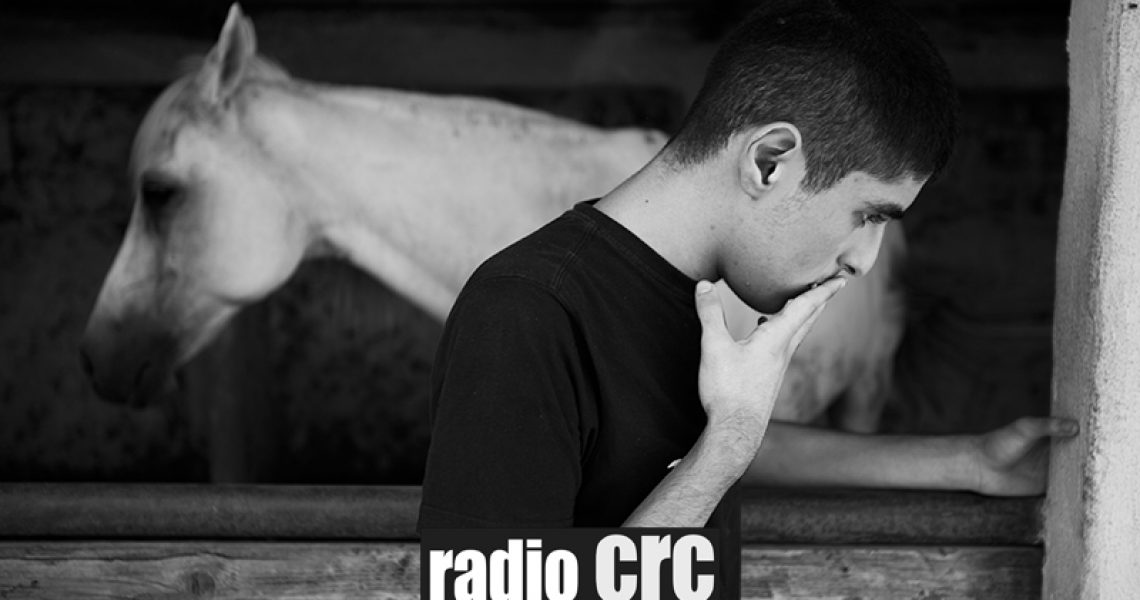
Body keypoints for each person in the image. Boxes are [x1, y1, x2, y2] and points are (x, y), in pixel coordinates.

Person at [418, 0, 1077, 594]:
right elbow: (717, 445)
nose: (862, 260)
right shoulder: (526, 312)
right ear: (769, 160)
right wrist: (724, 447)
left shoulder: (678, 291)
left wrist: (969, 462)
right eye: (869, 215)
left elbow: (668, 442)